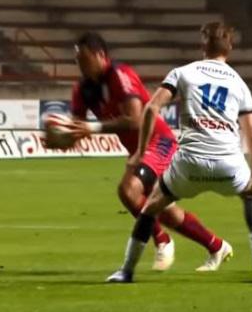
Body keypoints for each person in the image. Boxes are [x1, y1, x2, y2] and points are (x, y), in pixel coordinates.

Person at [105, 22, 252, 283]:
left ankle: (126, 271)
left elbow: (151, 108)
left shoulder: (183, 72)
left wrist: (141, 151)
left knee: (150, 209)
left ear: (202, 44)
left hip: (189, 164)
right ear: (229, 48)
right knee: (251, 195)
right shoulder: (240, 84)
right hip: (228, 164)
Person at [67, 32, 230, 272]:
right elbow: (75, 128)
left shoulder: (119, 75)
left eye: (84, 59)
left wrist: (92, 127)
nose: (80, 65)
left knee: (128, 190)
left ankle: (162, 241)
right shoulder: (83, 90)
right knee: (165, 211)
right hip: (139, 150)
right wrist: (59, 137)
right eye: (77, 60)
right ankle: (216, 246)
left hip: (160, 141)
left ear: (100, 55)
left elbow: (135, 120)